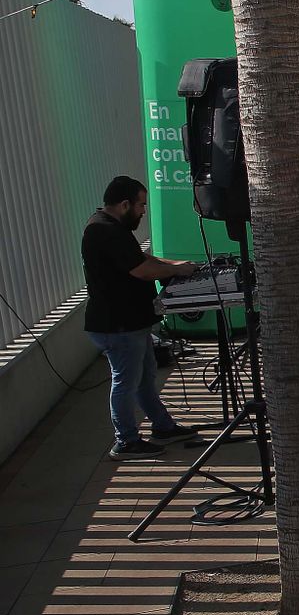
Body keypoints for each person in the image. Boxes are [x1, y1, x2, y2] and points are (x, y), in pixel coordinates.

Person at [81, 176, 202, 460]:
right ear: (125, 205)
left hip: (130, 323)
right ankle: (125, 441)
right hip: (117, 325)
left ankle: (162, 426)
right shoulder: (104, 231)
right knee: (126, 381)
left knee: (145, 376)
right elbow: (141, 270)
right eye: (141, 205)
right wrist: (178, 270)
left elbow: (141, 260)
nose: (144, 211)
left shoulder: (112, 226)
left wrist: (178, 266)